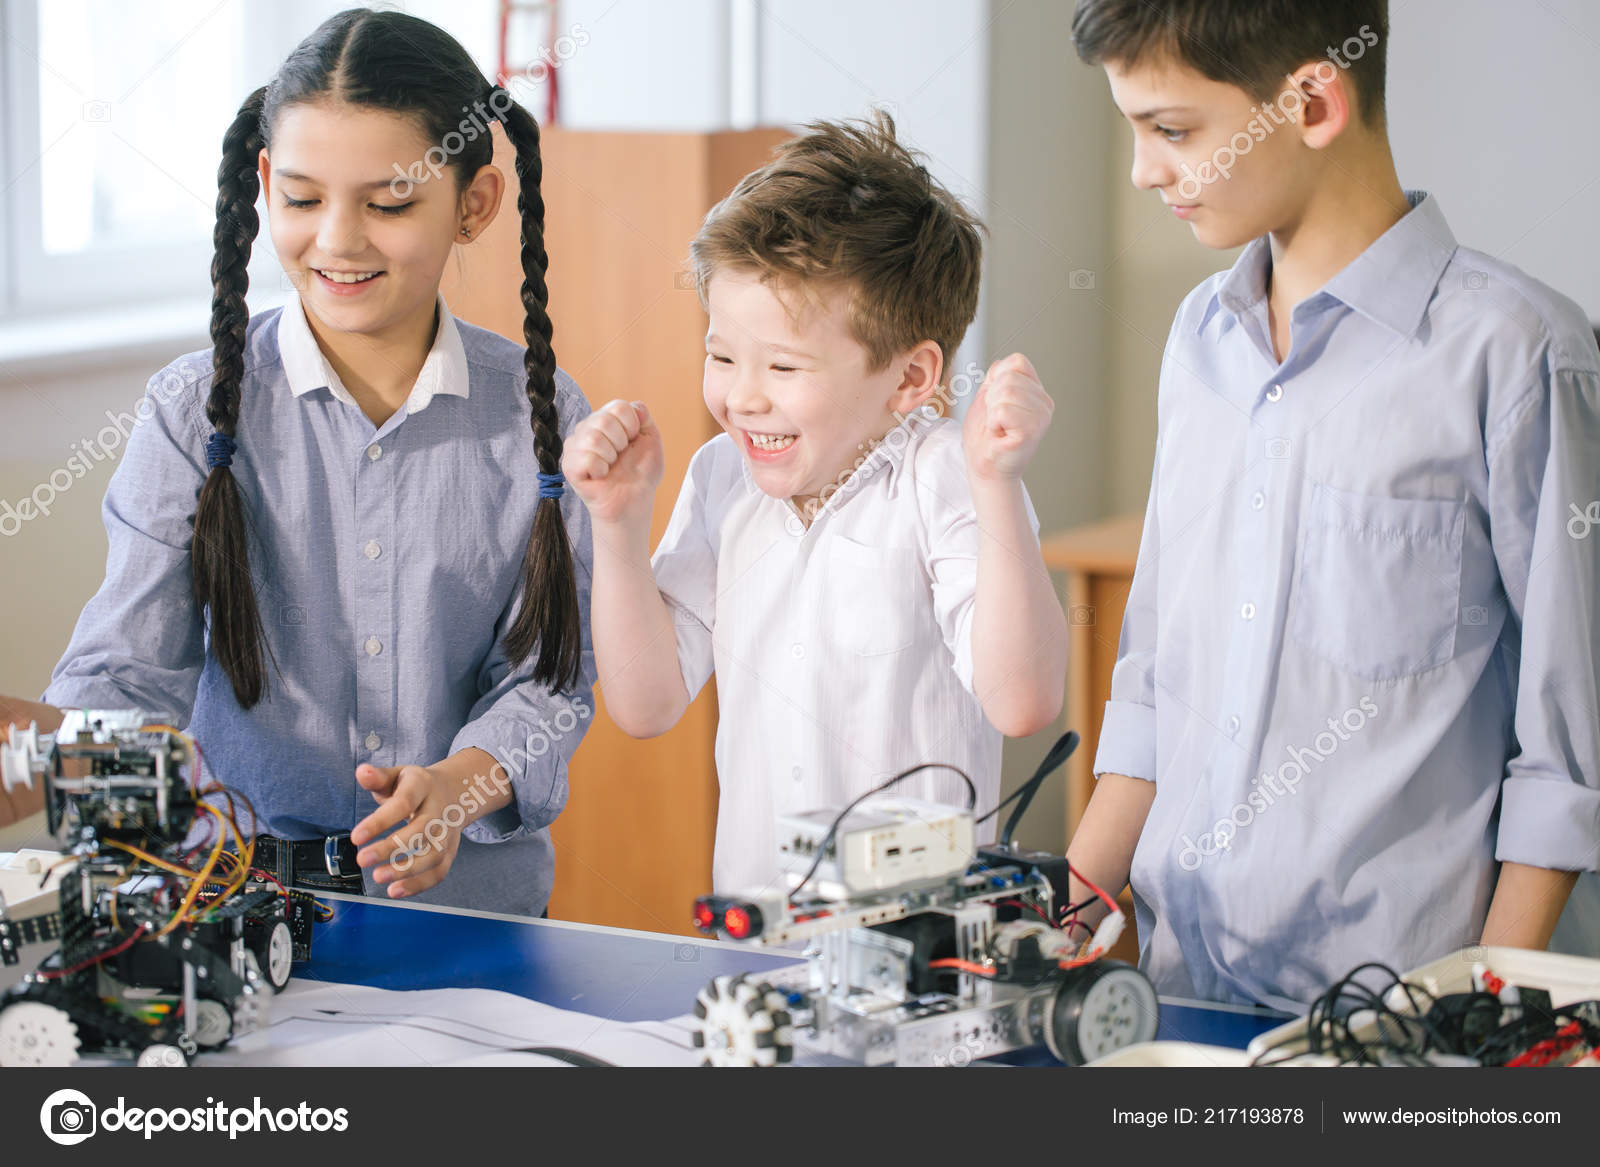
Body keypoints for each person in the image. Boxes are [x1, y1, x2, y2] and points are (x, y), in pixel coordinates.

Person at [1064, 0, 1599, 1010]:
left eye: (1171, 131)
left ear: (1312, 101)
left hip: (1401, 1019)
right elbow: (1150, 686)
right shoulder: (1199, 338)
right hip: (1184, 991)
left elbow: (1570, 755)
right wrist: (1058, 914)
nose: (1143, 171)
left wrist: (1468, 1020)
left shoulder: (1517, 351)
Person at [0, 9, 594, 917]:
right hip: (227, 902)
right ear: (265, 184)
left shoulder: (542, 418)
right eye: (305, 199)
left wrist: (461, 787)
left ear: (474, 204)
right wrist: (55, 747)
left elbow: (549, 682)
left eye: (389, 202)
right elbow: (127, 669)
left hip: (470, 916)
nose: (340, 241)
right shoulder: (189, 411)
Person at [561, 113, 1067, 896]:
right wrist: (618, 528)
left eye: (784, 367)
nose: (741, 396)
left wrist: (998, 485)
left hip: (918, 949)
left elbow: (1023, 700)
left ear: (908, 379)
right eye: (722, 354)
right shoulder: (721, 479)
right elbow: (646, 703)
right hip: (760, 935)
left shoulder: (945, 478)